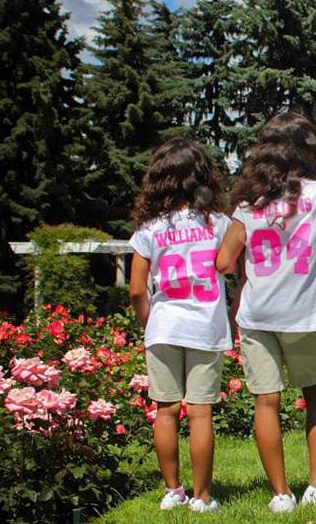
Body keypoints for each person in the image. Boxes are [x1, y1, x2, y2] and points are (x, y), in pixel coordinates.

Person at [215, 112, 316, 514]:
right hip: (304, 315)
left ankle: (280, 494)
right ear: (310, 151)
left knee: (266, 402)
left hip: (258, 315)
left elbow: (223, 262)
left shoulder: (248, 204)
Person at [128, 138, 231, 513]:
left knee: (166, 411)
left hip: (164, 327)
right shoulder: (219, 223)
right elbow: (232, 267)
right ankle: (202, 498)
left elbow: (136, 290)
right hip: (205, 326)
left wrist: (149, 323)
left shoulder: (150, 229)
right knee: (201, 412)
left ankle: (173, 491)